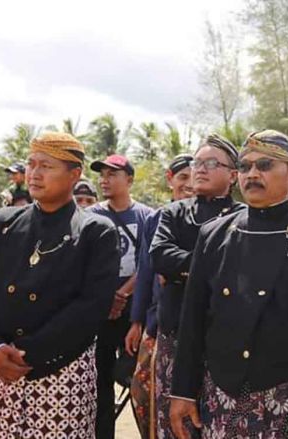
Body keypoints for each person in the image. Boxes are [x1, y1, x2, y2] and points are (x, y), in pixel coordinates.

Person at [168, 130, 288, 439]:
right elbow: (193, 322)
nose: (252, 174)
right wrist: (183, 391)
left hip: (287, 395)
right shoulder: (214, 234)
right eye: (246, 166)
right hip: (220, 394)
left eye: (264, 165)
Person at [0, 132, 121, 438]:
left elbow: (91, 307)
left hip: (63, 371)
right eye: (32, 164)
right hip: (0, 371)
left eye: (46, 165)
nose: (34, 173)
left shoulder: (95, 231)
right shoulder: (0, 224)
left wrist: (26, 354)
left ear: (75, 174)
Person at [149, 139, 243, 439]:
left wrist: (186, 270)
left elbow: (244, 265)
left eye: (212, 163)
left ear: (233, 175)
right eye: (197, 163)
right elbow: (160, 256)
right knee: (175, 422)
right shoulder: (174, 213)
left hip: (224, 336)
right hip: (175, 332)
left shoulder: (244, 217)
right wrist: (210, 268)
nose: (200, 170)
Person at [125, 152, 195, 439]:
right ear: (170, 180)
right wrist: (136, 321)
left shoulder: (217, 218)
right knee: (143, 397)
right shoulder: (157, 219)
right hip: (156, 323)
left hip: (195, 325)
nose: (189, 184)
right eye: (182, 178)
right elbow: (145, 270)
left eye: (194, 177)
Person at [89, 154, 153, 439]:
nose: (105, 179)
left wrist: (123, 294)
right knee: (100, 381)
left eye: (112, 174)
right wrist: (107, 297)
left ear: (129, 179)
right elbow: (85, 264)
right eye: (102, 174)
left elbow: (148, 263)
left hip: (133, 313)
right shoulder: (90, 215)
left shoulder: (147, 216)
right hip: (100, 312)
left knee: (136, 381)